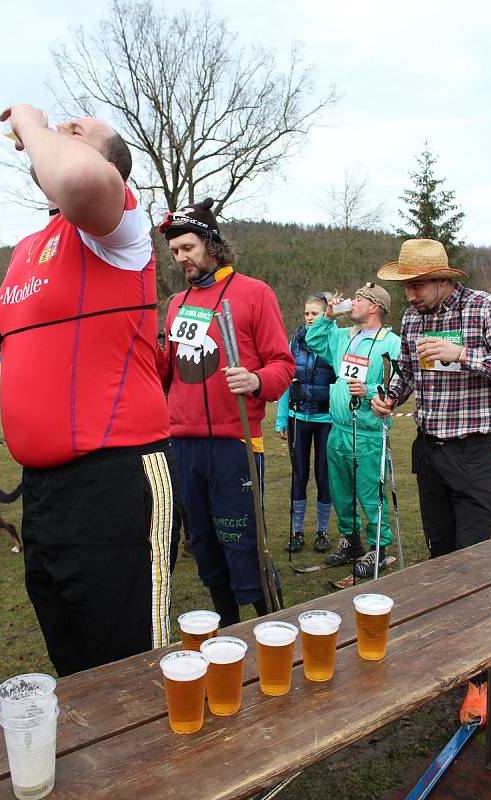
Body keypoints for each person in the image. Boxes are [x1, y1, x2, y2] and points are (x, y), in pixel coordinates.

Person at [0, 104, 179, 677]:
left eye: (79, 132)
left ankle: (154, 767)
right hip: (43, 494)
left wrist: (29, 122)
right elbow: (20, 365)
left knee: (128, 671)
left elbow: (77, 179)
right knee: (72, 662)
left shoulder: (117, 231)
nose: (63, 132)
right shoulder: (27, 249)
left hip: (115, 480)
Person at [371, 237, 491, 726]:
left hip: (473, 453)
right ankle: (447, 653)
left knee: (474, 566)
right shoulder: (413, 319)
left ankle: (479, 679)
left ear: (443, 279)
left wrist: (463, 355)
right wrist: (391, 397)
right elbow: (411, 373)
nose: (409, 296)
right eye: (405, 286)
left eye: (416, 286)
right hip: (429, 450)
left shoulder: (487, 310)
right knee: (440, 560)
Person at [157, 198, 295, 626]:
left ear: (212, 244)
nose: (181, 258)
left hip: (234, 441)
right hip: (183, 443)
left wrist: (256, 380)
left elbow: (283, 365)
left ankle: (270, 627)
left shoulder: (254, 293)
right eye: (175, 251)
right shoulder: (176, 302)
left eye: (188, 248)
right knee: (203, 541)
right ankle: (228, 629)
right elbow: (167, 372)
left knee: (242, 541)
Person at [305, 282, 401, 576]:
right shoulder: (344, 335)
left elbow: (400, 383)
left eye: (358, 299)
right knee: (341, 490)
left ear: (375, 307)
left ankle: (378, 549)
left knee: (372, 494)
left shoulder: (392, 342)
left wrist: (371, 390)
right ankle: (352, 540)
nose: (352, 302)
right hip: (339, 428)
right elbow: (314, 340)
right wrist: (329, 315)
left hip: (369, 432)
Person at [275, 292, 336, 554]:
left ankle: (322, 531)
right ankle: (296, 531)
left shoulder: (336, 339)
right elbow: (287, 380)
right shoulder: (295, 342)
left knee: (324, 476)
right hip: (298, 417)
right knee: (299, 475)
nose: (309, 318)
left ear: (326, 315)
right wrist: (281, 418)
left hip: (327, 419)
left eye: (315, 313)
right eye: (307, 313)